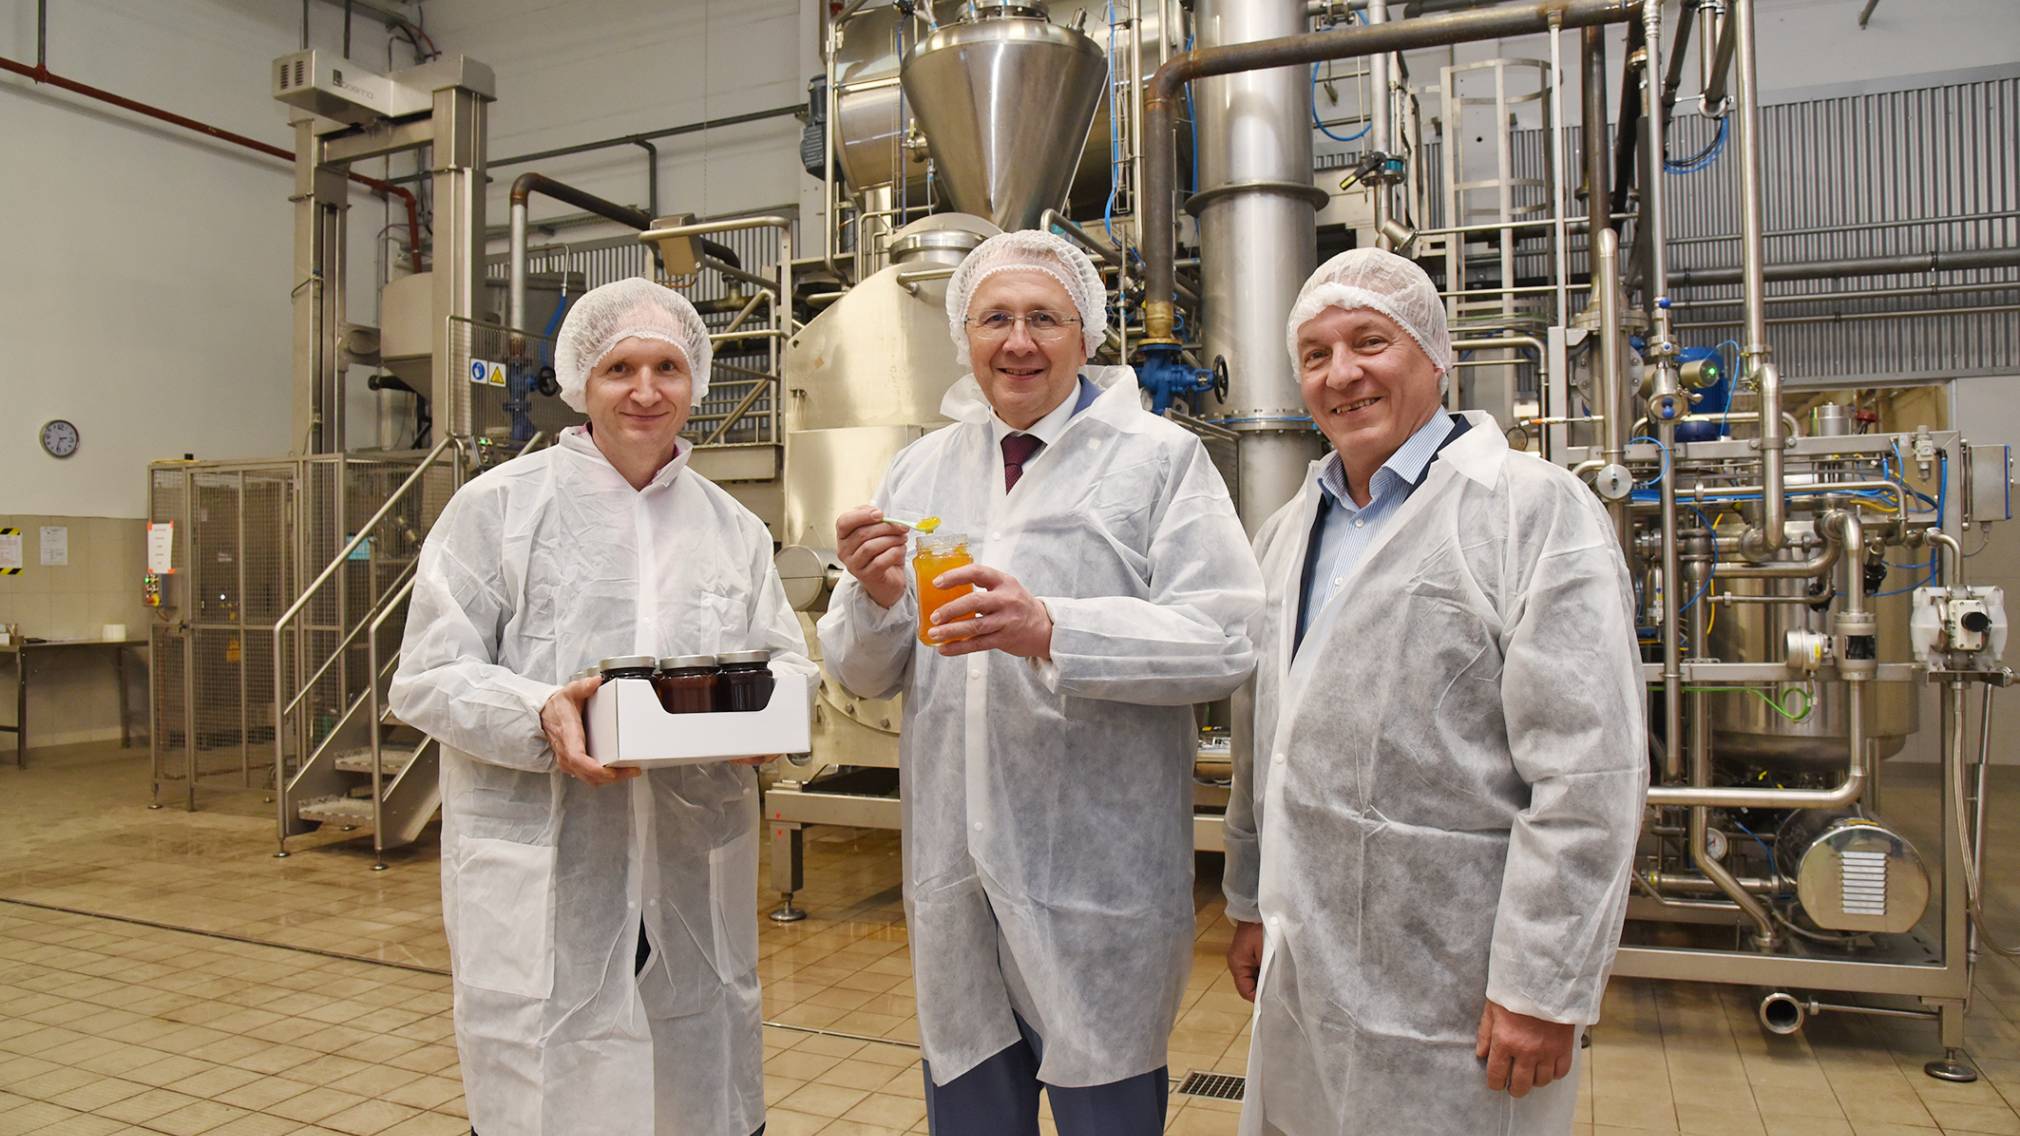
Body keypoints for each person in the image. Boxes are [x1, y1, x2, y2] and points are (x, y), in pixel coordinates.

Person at [817, 231, 1263, 1135]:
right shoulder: (922, 466)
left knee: (1107, 1111)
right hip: (954, 884)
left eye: (1043, 318)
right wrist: (871, 597)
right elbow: (861, 668)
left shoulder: (1157, 460)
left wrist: (1053, 628)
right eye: (995, 318)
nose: (1018, 341)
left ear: (1086, 334)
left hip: (1096, 890)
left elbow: (1225, 638)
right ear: (965, 335)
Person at [1221, 248, 1647, 1135]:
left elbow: (1588, 773)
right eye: (1315, 354)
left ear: (1435, 354)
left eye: (1369, 342)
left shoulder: (1531, 511)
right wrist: (1250, 903)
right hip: (1308, 963)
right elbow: (1267, 746)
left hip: (1459, 985)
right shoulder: (1288, 531)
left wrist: (1541, 984)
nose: (1342, 375)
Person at [390, 277, 811, 1136]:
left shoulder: (729, 524)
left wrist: (773, 717)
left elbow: (784, 658)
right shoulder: (502, 508)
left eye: (667, 367)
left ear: (695, 379)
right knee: (553, 1082)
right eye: (621, 367)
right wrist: (542, 710)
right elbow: (429, 672)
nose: (646, 390)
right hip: (551, 864)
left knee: (695, 1073)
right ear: (583, 380)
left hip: (692, 867)